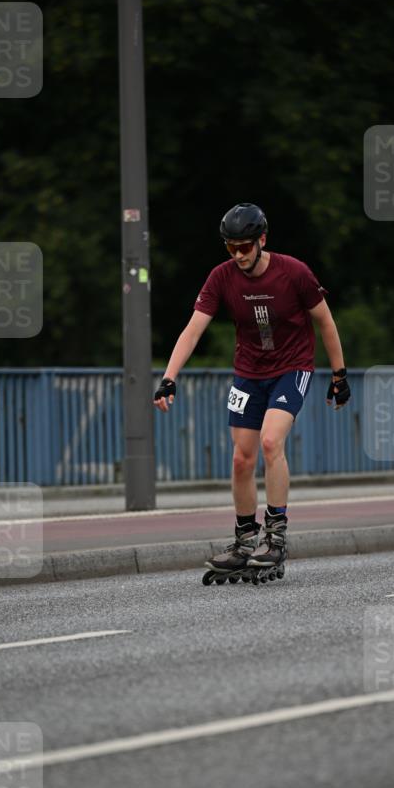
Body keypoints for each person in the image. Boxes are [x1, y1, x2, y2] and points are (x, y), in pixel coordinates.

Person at [154, 202, 350, 581]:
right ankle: (245, 541)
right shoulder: (222, 277)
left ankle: (275, 537)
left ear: (262, 240)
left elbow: (325, 321)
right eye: (231, 248)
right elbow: (193, 329)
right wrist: (169, 376)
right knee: (241, 459)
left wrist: (339, 375)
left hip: (292, 368)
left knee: (270, 443)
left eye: (245, 246)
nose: (239, 255)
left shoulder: (294, 272)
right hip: (248, 373)